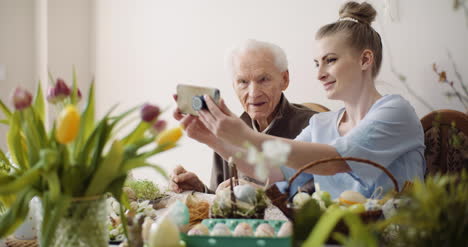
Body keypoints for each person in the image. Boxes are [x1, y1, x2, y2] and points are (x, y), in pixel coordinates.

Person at [187, 1, 426, 199]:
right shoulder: (320, 125)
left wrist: (245, 136)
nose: (319, 73)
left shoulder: (396, 112)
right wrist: (213, 140)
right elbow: (272, 172)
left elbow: (335, 160)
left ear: (365, 60)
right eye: (316, 63)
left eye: (330, 60)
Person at [170, 39, 317, 195]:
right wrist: (201, 190)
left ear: (284, 79)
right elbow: (221, 197)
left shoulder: (313, 127)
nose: (253, 93)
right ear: (234, 85)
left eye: (263, 79)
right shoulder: (227, 128)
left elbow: (322, 200)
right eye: (243, 82)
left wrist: (261, 194)